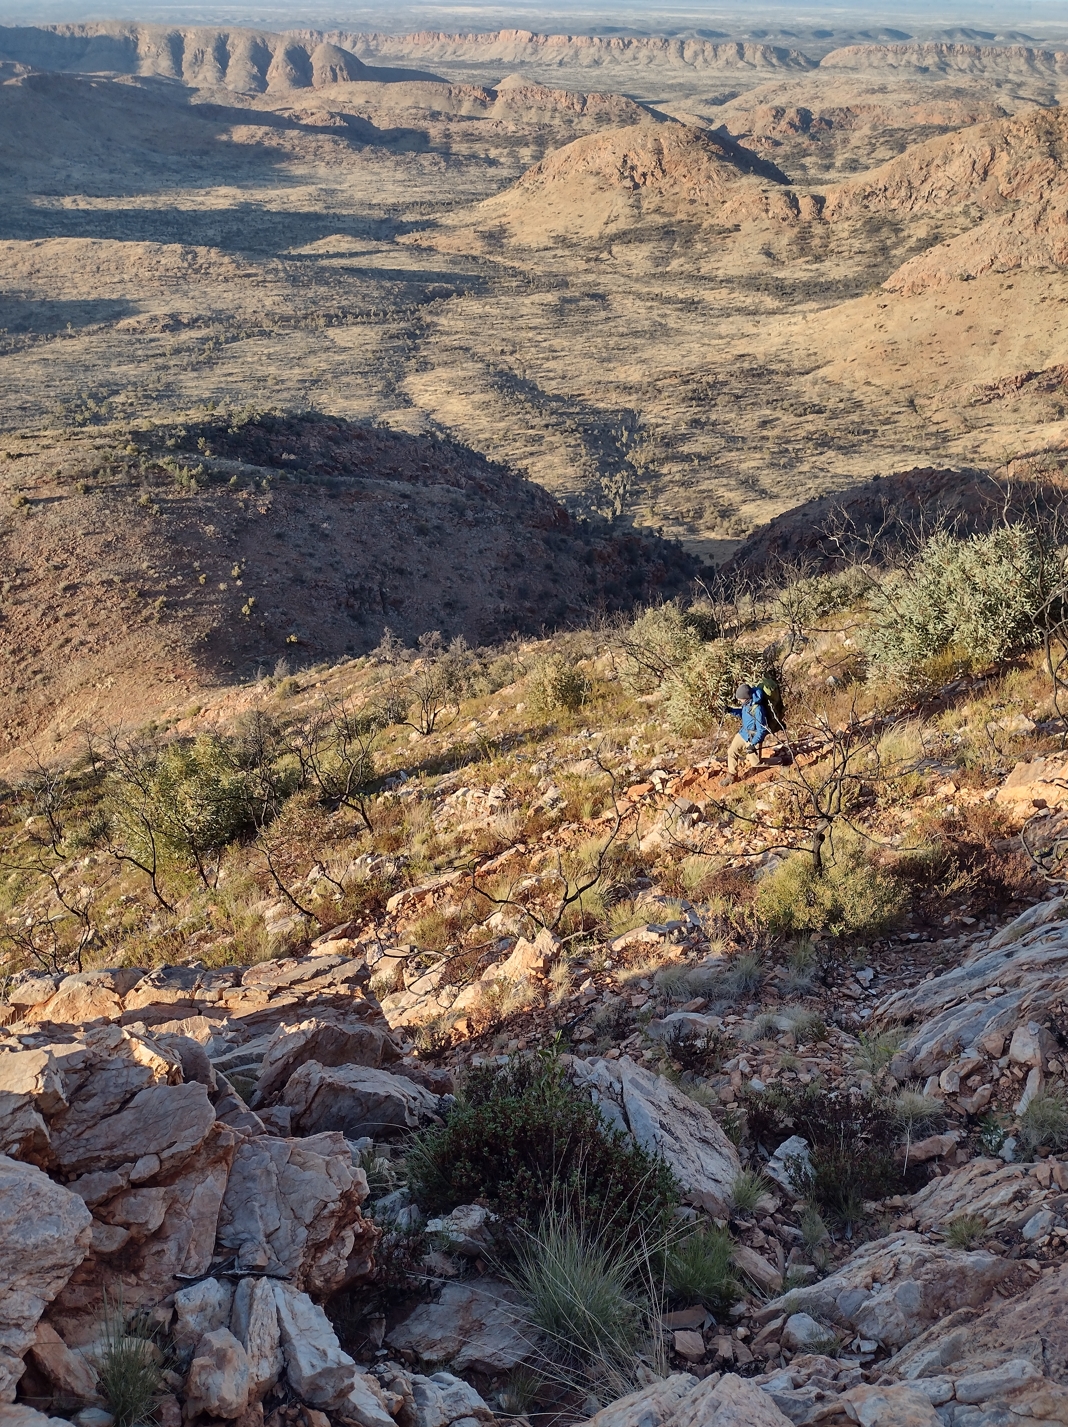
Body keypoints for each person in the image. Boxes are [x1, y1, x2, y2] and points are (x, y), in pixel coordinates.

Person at [722, 682, 769, 783]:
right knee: (731, 751)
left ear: (747, 697)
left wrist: (753, 744)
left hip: (753, 737)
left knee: (756, 763)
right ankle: (732, 776)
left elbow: (762, 730)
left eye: (740, 699)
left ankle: (783, 761)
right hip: (743, 733)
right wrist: (730, 710)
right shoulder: (746, 704)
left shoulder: (758, 709)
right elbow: (743, 714)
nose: (739, 700)